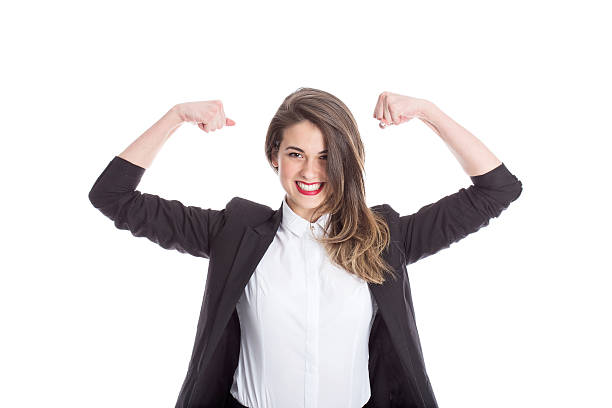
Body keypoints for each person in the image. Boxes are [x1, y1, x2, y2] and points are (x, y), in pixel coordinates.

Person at [88, 87, 523, 408]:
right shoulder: (235, 233)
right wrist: (176, 115)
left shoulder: (383, 238)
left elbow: (497, 190)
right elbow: (113, 196)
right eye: (296, 153)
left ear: (347, 160)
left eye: (327, 155)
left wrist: (428, 111)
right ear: (274, 154)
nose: (311, 171)